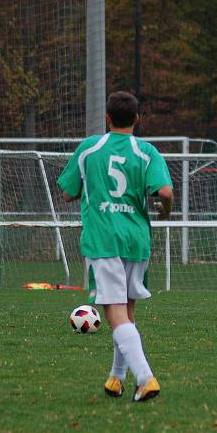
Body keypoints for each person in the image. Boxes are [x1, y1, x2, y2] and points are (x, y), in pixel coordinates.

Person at [58, 91, 173, 402]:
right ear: (137, 119)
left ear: (107, 118)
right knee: (127, 310)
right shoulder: (147, 151)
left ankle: (146, 378)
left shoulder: (89, 148)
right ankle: (116, 378)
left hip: (104, 239)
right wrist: (166, 211)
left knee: (115, 313)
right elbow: (165, 191)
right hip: (137, 239)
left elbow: (67, 194)